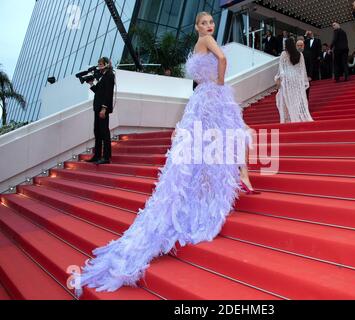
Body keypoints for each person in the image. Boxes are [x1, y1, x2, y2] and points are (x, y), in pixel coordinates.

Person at [74, 12, 258, 295]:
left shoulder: (199, 44)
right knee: (225, 138)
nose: (209, 26)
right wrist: (220, 85)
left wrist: (214, 86)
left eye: (211, 22)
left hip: (202, 99)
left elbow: (209, 68)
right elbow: (222, 60)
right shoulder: (208, 41)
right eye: (205, 23)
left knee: (214, 143)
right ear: (198, 27)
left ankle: (240, 177)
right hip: (210, 96)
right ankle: (240, 177)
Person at [275, 37, 313, 123]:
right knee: (296, 100)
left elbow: (281, 69)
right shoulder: (300, 54)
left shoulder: (284, 54)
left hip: (287, 80)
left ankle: (288, 119)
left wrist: (279, 78)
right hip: (296, 80)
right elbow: (302, 69)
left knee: (286, 100)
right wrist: (303, 80)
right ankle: (295, 117)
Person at [85, 57, 115, 165]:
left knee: (104, 132)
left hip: (103, 109)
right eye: (99, 64)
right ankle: (97, 155)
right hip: (97, 108)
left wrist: (104, 108)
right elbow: (98, 91)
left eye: (101, 64)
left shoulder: (110, 76)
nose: (99, 65)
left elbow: (108, 94)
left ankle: (106, 157)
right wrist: (91, 84)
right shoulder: (102, 76)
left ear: (107, 64)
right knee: (97, 132)